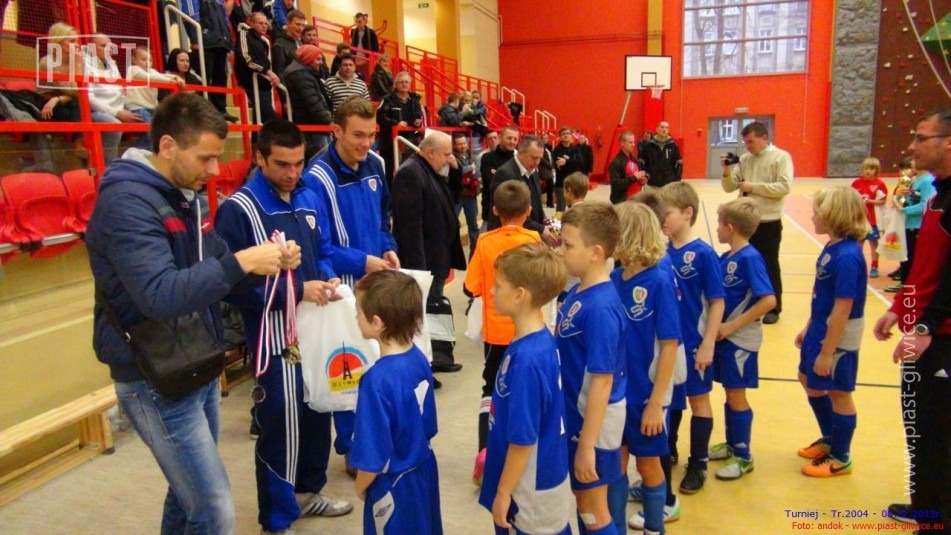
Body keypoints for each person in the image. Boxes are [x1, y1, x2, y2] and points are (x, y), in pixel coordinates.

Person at [86, 92, 289, 533]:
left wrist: (267, 263)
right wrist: (242, 263)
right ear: (167, 146)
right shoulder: (126, 204)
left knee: (188, 497)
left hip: (192, 360)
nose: (214, 170)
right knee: (213, 510)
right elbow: (159, 295)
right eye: (206, 158)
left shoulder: (183, 195)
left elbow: (216, 264)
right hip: (153, 377)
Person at [215, 120, 353, 534]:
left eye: (298, 163)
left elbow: (322, 251)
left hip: (314, 329)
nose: (292, 173)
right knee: (283, 423)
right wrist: (296, 290)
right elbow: (231, 285)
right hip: (273, 339)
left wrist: (327, 277)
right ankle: (276, 518)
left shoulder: (309, 196)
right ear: (259, 158)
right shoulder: (239, 209)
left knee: (318, 409)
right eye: (282, 164)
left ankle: (309, 492)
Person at [303, 97, 401, 469]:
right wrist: (363, 261)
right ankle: (352, 448)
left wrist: (387, 247)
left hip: (376, 282)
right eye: (358, 135)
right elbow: (320, 245)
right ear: (336, 131)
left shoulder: (375, 164)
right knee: (348, 369)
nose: (366, 143)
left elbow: (384, 216)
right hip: (343, 290)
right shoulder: (317, 178)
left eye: (371, 135)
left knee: (377, 366)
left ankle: (374, 438)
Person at [873, 108, 951, 530]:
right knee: (920, 433)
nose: (911, 145)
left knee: (936, 438)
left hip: (941, 340)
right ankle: (926, 511)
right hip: (926, 335)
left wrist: (924, 327)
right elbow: (925, 269)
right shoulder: (938, 196)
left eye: (921, 137)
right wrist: (898, 308)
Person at [478, 243, 572, 534]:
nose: (492, 291)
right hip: (532, 476)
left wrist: (503, 492)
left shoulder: (528, 360)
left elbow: (523, 439)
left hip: (531, 487)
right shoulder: (533, 340)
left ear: (519, 295)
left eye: (498, 286)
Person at [351, 271, 442, 534]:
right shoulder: (419, 358)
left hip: (393, 482)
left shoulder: (376, 380)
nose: (355, 317)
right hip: (424, 468)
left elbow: (373, 452)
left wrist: (361, 485)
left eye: (358, 312)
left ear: (376, 322)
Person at [611, 202, 683, 532]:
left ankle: (655, 527)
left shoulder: (659, 281)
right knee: (616, 465)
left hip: (645, 394)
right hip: (615, 393)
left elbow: (669, 346)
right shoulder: (614, 278)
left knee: (649, 464)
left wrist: (656, 403)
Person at [556, 202, 627, 534]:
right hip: (578, 415)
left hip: (594, 421)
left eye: (568, 245)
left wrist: (587, 446)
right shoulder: (579, 290)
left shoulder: (600, 308)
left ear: (596, 253)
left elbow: (602, 381)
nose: (561, 251)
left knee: (592, 507)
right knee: (583, 499)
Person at [464, 181, 541, 485]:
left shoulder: (485, 241)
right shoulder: (534, 239)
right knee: (525, 387)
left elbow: (470, 286)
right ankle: (523, 451)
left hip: (496, 332)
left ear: (495, 210)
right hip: (528, 330)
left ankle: (485, 450)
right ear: (528, 211)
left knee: (491, 387)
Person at [793, 187, 868, 478]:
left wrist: (827, 351)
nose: (812, 217)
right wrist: (809, 327)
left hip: (837, 336)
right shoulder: (832, 247)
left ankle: (841, 456)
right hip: (821, 328)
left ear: (834, 216)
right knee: (807, 378)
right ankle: (830, 437)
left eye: (817, 213)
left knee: (839, 392)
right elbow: (822, 295)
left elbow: (842, 308)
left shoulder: (848, 256)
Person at [656, 182, 725, 495]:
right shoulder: (662, 251)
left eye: (668, 213)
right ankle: (668, 449)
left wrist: (708, 343)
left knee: (698, 399)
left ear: (687, 213)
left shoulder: (703, 254)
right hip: (668, 344)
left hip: (694, 343)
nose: (662, 219)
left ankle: (698, 462)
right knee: (668, 397)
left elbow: (717, 302)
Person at [707, 198, 776, 481]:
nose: (717, 229)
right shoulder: (727, 257)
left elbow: (768, 300)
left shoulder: (750, 258)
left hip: (740, 339)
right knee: (729, 391)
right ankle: (731, 443)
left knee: (737, 394)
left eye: (720, 224)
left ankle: (744, 455)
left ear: (731, 227)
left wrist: (732, 325)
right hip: (726, 337)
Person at [391, 131, 467, 373]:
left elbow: (452, 197)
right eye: (446, 154)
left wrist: (455, 171)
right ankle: (426, 363)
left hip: (436, 259)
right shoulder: (411, 174)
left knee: (433, 312)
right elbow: (410, 229)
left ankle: (437, 358)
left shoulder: (429, 170)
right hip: (425, 264)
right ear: (431, 152)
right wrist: (419, 272)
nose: (449, 159)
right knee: (424, 316)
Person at [720, 121, 792, 324]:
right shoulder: (745, 159)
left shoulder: (781, 157)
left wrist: (754, 187)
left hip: (768, 221)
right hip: (745, 222)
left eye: (751, 141)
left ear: (764, 138)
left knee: (769, 264)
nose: (748, 146)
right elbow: (729, 187)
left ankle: (774, 307)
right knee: (745, 263)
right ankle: (750, 306)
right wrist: (726, 171)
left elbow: (784, 186)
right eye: (745, 142)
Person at [489, 137, 557, 248]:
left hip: (528, 235)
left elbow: (536, 202)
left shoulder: (533, 171)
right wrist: (540, 229)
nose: (537, 162)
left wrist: (544, 220)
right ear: (520, 153)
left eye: (540, 158)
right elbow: (512, 213)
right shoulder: (505, 174)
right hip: (509, 239)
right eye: (534, 158)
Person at [85, 33, 138, 163]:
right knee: (115, 126)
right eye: (103, 46)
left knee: (147, 118)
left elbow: (120, 90)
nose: (108, 49)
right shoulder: (84, 65)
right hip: (96, 111)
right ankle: (108, 166)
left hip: (119, 109)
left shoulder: (112, 64)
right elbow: (89, 98)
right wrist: (117, 113)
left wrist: (127, 107)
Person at [885, 157, 936, 292]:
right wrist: (901, 196)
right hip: (907, 224)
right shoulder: (914, 180)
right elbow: (909, 199)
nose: (912, 164)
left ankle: (909, 285)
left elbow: (925, 204)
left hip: (917, 226)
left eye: (915, 160)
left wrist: (904, 210)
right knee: (905, 255)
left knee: (912, 256)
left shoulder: (927, 181)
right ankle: (905, 282)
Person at [126, 46, 185, 150]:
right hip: (138, 107)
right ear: (134, 60)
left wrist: (175, 77)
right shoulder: (133, 70)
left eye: (150, 60)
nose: (147, 63)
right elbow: (148, 77)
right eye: (143, 59)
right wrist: (169, 81)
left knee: (158, 132)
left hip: (152, 108)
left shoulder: (152, 71)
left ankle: (143, 152)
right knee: (150, 132)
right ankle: (137, 153)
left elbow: (163, 75)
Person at [182, 0, 233, 116]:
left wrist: (228, 42)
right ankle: (201, 111)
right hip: (204, 42)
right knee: (203, 77)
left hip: (221, 42)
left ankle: (220, 111)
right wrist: (195, 39)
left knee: (220, 77)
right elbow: (190, 14)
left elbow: (224, 19)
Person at [283, 45, 333, 161]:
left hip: (316, 126)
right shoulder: (301, 75)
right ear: (308, 59)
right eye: (318, 59)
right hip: (313, 128)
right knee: (319, 162)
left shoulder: (305, 73)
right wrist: (328, 120)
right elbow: (313, 102)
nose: (321, 63)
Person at [377, 71, 424, 185]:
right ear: (396, 84)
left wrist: (417, 123)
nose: (404, 84)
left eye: (406, 82)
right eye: (401, 82)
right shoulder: (387, 99)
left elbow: (418, 118)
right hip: (389, 143)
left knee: (409, 174)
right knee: (388, 175)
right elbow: (380, 117)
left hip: (409, 144)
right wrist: (395, 123)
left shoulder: (415, 100)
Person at [235, 12, 280, 124]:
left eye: (265, 23)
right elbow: (247, 59)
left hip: (264, 83)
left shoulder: (264, 42)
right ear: (251, 23)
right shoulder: (244, 34)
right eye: (260, 23)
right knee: (271, 119)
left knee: (260, 119)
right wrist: (267, 72)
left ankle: (256, 136)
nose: (264, 26)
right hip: (252, 81)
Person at [850, 157, 887, 278]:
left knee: (873, 243)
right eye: (866, 168)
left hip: (873, 221)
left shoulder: (879, 184)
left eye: (871, 169)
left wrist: (869, 201)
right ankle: (857, 266)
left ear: (877, 170)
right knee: (858, 243)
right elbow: (850, 198)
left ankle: (874, 266)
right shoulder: (856, 183)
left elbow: (882, 201)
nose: (868, 171)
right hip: (859, 219)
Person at [447, 133, 479, 257]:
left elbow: (477, 173)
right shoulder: (451, 158)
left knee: (473, 225)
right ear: (455, 145)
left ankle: (475, 253)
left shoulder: (474, 157)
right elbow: (455, 174)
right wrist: (470, 168)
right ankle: (452, 252)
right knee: (452, 223)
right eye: (459, 144)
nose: (463, 146)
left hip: (471, 195)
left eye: (464, 143)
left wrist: (464, 171)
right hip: (457, 196)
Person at [480, 126, 518, 226]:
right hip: (491, 212)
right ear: (500, 138)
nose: (512, 142)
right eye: (509, 138)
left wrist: (499, 174)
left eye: (515, 139)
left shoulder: (518, 160)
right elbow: (491, 183)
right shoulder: (487, 158)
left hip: (514, 212)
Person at [638, 121, 683, 187]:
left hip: (669, 184)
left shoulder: (673, 146)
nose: (664, 129)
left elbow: (678, 163)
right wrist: (646, 176)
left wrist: (676, 180)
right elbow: (641, 162)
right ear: (657, 129)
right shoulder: (649, 146)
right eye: (662, 127)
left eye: (667, 128)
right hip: (652, 183)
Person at [608, 131, 647, 204]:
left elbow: (638, 176)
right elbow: (616, 185)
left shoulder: (634, 159)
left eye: (633, 142)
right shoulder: (616, 162)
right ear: (622, 143)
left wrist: (642, 180)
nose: (633, 145)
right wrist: (634, 177)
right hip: (623, 202)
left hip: (636, 200)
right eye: (630, 142)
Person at [552, 127, 583, 213]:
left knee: (574, 208)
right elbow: (561, 167)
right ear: (560, 137)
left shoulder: (576, 149)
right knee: (560, 209)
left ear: (571, 136)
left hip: (574, 183)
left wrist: (566, 162)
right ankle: (558, 222)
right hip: (561, 184)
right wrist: (573, 163)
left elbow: (580, 162)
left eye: (567, 133)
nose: (566, 135)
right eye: (563, 134)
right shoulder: (557, 150)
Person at [271, 8, 305, 81]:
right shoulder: (279, 45)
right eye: (297, 24)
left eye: (303, 25)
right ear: (288, 23)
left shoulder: (301, 43)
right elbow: (279, 74)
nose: (300, 28)